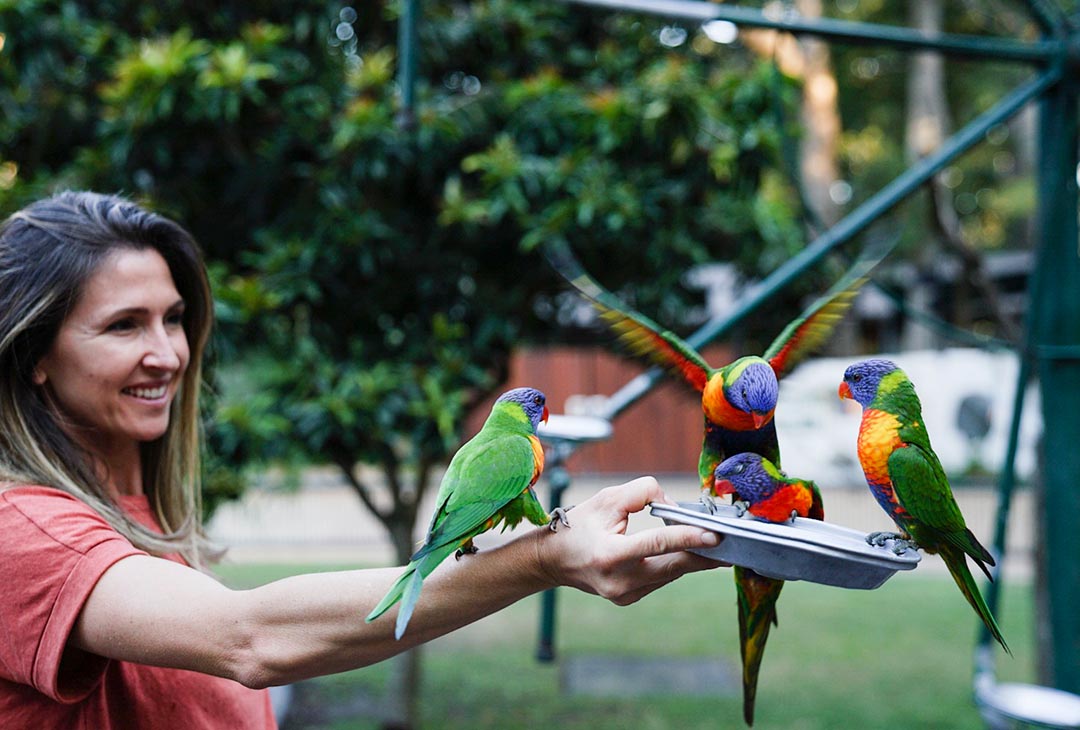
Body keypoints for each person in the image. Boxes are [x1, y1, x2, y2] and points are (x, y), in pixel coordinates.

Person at [0, 191, 724, 728]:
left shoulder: (132, 508)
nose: (168, 355)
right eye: (124, 326)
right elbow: (249, 638)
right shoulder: (22, 531)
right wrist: (543, 558)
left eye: (175, 318)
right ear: (34, 355)